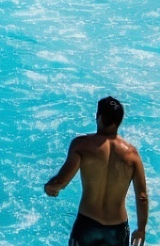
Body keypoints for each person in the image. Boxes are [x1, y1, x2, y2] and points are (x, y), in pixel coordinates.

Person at [44, 97, 148, 246]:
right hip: (117, 228)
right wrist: (141, 230)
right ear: (119, 121)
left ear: (99, 117)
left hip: (87, 223)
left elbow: (61, 182)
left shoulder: (81, 146)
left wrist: (50, 188)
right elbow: (142, 197)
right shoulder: (132, 155)